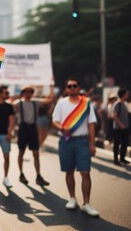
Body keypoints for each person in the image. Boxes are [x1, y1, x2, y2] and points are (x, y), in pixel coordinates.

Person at [52, 77, 99, 217]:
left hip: (82, 141)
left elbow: (91, 124)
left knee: (85, 172)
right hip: (66, 141)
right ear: (66, 89)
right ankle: (72, 198)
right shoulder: (61, 103)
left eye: (75, 86)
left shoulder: (86, 103)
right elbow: (54, 121)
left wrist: (92, 143)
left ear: (78, 88)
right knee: (69, 171)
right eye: (69, 86)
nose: (72, 88)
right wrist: (62, 128)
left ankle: (86, 203)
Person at [16, 84, 53, 186]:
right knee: (21, 152)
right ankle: (21, 174)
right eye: (26, 91)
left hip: (32, 128)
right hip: (23, 128)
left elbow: (50, 99)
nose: (28, 93)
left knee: (36, 153)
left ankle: (38, 176)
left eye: (30, 91)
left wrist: (51, 86)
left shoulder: (35, 103)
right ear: (23, 93)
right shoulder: (18, 103)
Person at [0, 85, 15, 188]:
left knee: (7, 156)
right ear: (0, 94)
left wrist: (9, 133)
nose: (7, 95)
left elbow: (12, 120)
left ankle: (5, 178)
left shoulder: (9, 106)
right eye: (6, 93)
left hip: (5, 135)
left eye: (8, 93)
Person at [112, 89, 130, 165]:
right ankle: (116, 159)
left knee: (125, 143)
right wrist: (121, 124)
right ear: (123, 95)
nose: (127, 96)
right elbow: (114, 116)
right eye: (126, 94)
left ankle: (122, 158)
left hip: (125, 127)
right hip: (118, 128)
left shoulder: (125, 104)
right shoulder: (117, 104)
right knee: (117, 144)